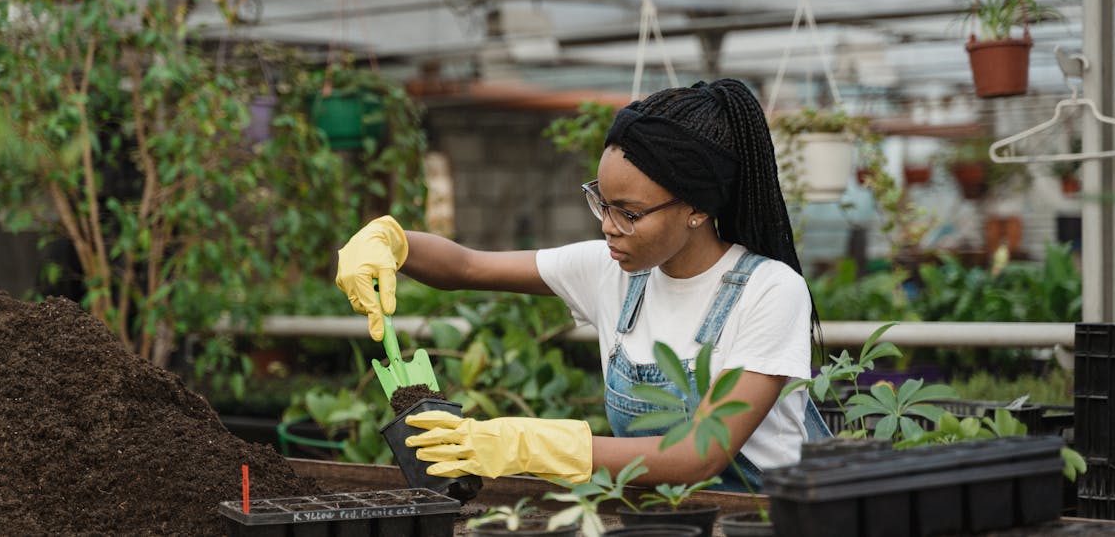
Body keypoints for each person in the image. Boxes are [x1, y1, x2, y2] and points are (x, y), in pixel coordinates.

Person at [335, 79, 829, 492]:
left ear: (698, 209)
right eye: (602, 202)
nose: (608, 226)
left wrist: (524, 444)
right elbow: (466, 267)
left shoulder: (768, 291)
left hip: (764, 521)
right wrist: (390, 241)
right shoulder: (612, 272)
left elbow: (697, 454)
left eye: (630, 213)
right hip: (656, 517)